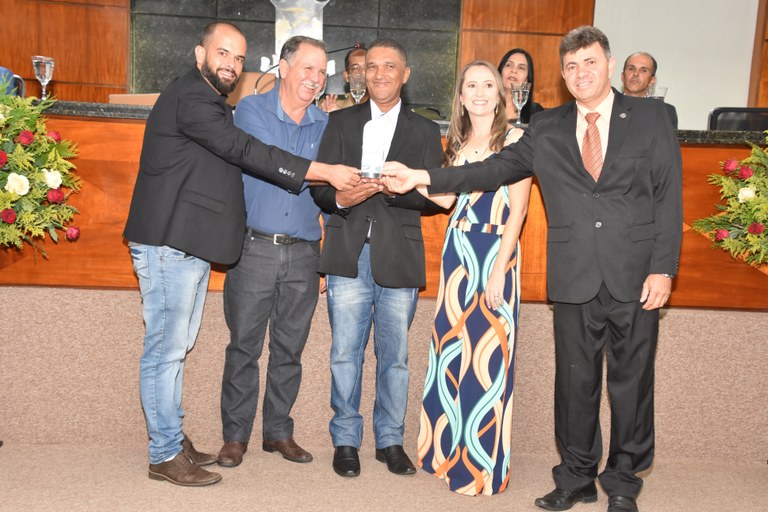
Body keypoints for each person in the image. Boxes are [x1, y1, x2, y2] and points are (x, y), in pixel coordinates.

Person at [383, 26, 682, 512]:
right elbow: (491, 169)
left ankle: (623, 483)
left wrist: (663, 269)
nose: (581, 73)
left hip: (635, 273)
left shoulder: (652, 117)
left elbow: (669, 197)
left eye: (590, 63)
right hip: (574, 273)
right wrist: (424, 175)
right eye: (571, 66)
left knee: (631, 384)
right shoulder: (546, 126)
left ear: (608, 65)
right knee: (575, 383)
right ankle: (577, 477)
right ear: (562, 74)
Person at [123, 21, 359, 487]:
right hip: (171, 242)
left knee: (177, 349)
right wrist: (324, 170)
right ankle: (165, 452)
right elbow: (245, 150)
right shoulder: (200, 100)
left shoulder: (213, 102)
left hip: (192, 244)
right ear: (200, 54)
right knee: (167, 352)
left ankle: (175, 440)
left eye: (238, 57)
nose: (231, 64)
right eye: (222, 53)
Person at [310, 37, 445, 479]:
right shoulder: (339, 122)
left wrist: (396, 190)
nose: (380, 74)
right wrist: (342, 199)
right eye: (372, 67)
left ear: (405, 75)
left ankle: (390, 441)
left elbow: (435, 198)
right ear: (361, 74)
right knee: (345, 354)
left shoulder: (425, 131)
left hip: (399, 254)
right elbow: (319, 188)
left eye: (389, 66)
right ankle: (346, 440)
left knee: (396, 356)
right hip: (347, 251)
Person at [416, 60, 532, 496]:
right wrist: (398, 180)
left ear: (500, 95)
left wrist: (501, 268)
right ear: (461, 97)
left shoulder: (517, 140)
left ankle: (480, 468)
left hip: (494, 253)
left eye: (488, 85)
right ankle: (444, 455)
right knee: (451, 354)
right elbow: (446, 201)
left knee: (487, 361)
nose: (480, 93)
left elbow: (518, 212)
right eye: (471, 86)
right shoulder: (457, 142)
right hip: (458, 255)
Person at [217, 36, 330, 469]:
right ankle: (235, 436)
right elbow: (272, 161)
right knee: (244, 347)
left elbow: (329, 198)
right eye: (307, 68)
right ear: (283, 67)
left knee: (289, 350)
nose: (315, 79)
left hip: (305, 254)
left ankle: (278, 431)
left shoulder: (327, 125)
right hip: (254, 249)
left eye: (322, 72)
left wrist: (328, 258)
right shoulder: (250, 110)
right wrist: (327, 171)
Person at [620, 52, 678, 128]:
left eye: (643, 70)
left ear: (652, 80)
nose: (636, 74)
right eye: (631, 69)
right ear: (622, 76)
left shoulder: (666, 111)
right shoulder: (609, 105)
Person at [497, 48, 544, 124]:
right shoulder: (486, 106)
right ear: (500, 71)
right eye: (508, 65)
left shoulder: (535, 111)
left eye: (521, 68)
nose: (514, 70)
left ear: (527, 79)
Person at [319, 46, 368, 112]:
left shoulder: (381, 107)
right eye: (355, 68)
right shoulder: (333, 105)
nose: (362, 72)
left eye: (367, 67)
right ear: (346, 76)